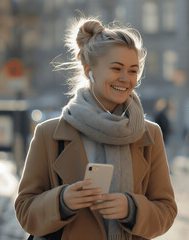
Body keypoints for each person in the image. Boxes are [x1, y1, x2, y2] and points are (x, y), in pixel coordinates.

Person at [14, 17, 177, 240]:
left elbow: (166, 210)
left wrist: (132, 209)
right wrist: (62, 201)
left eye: (133, 71)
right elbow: (25, 211)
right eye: (116, 68)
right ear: (89, 70)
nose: (125, 79)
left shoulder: (149, 135)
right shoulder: (48, 134)